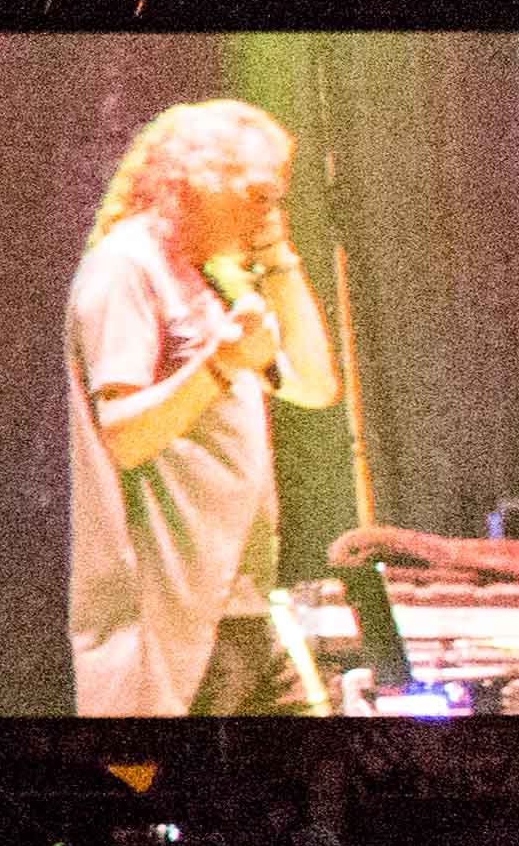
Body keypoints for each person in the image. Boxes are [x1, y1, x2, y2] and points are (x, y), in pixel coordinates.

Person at [67, 94, 340, 715]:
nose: (270, 211)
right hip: (171, 621)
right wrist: (218, 364)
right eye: (258, 194)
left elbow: (314, 386)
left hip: (242, 605)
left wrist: (277, 260)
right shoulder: (126, 268)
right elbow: (125, 437)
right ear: (198, 181)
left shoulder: (210, 274)